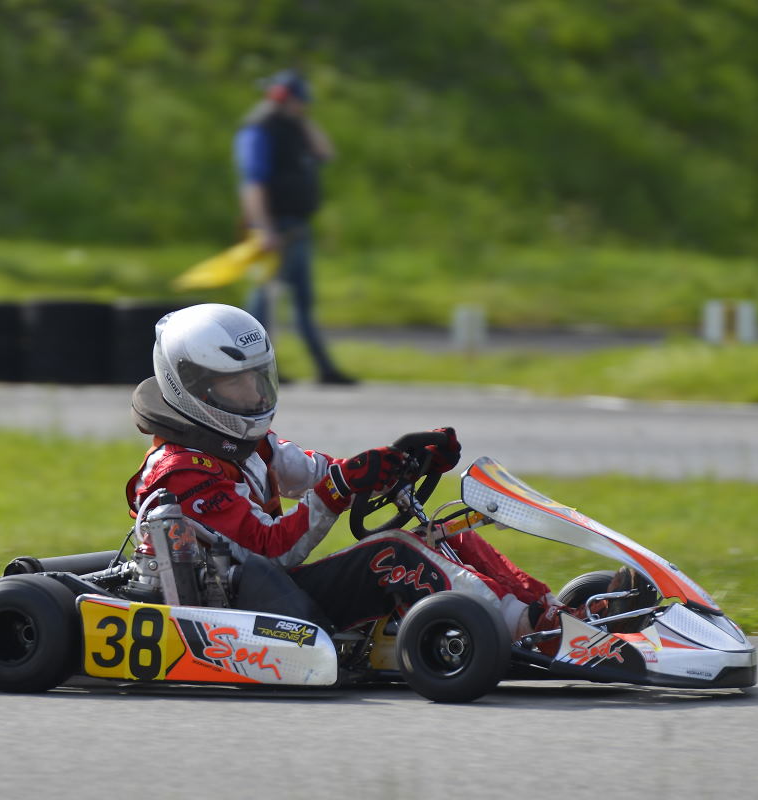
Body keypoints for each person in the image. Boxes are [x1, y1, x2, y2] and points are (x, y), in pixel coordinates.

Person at [126, 303, 581, 641]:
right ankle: (520, 631)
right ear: (193, 389)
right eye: (235, 383)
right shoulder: (181, 473)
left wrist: (395, 465)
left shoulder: (240, 441)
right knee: (393, 553)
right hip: (245, 609)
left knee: (447, 533)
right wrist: (338, 490)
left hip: (270, 591)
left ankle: (552, 611)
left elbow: (320, 472)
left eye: (256, 378)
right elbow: (272, 550)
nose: (252, 393)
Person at [233, 70, 355, 385]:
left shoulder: (295, 129)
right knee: (262, 304)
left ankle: (324, 368)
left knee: (303, 304)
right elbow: (253, 184)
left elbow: (325, 152)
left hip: (297, 229)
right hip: (276, 230)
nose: (303, 107)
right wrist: (264, 228)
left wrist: (301, 120)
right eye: (298, 102)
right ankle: (254, 370)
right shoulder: (259, 131)